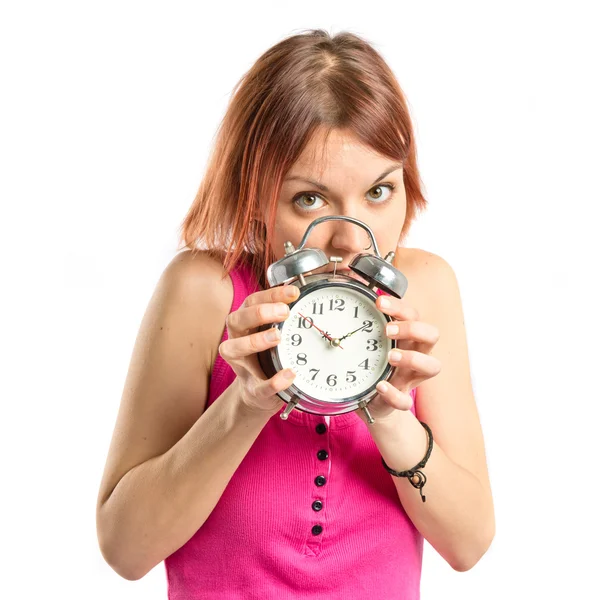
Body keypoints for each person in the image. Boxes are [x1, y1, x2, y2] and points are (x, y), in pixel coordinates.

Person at [96, 28, 495, 599]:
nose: (349, 239)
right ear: (254, 194)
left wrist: (391, 417)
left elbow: (470, 544)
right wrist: (244, 404)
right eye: (309, 199)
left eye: (379, 192)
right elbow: (125, 550)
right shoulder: (202, 291)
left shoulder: (424, 290)